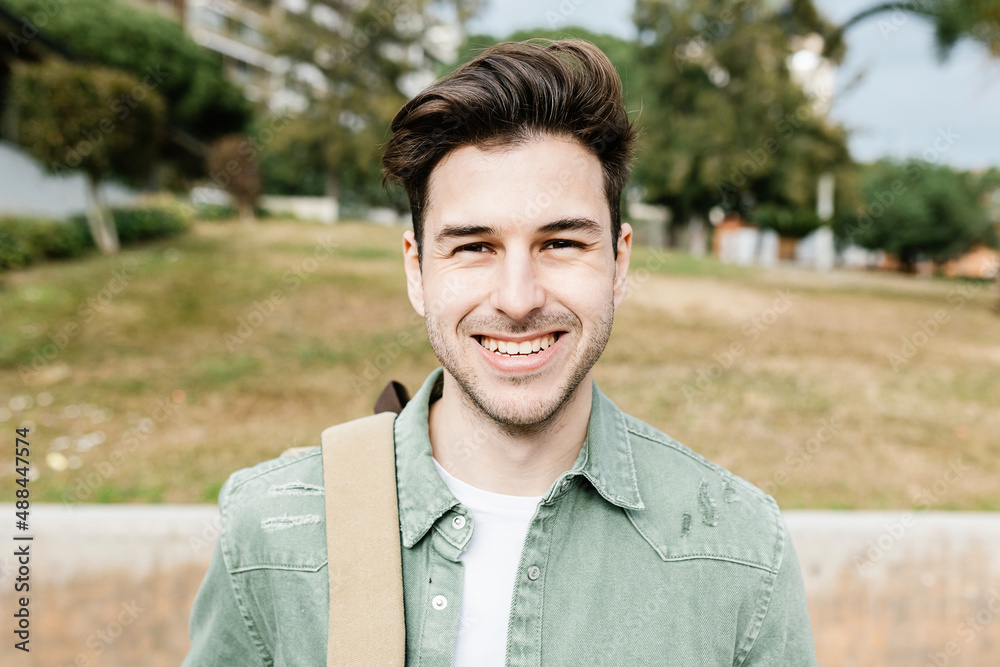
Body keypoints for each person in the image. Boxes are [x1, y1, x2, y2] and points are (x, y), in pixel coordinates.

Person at [182, 38, 817, 666]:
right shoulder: (270, 532)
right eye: (473, 246)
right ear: (417, 269)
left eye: (562, 243)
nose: (517, 300)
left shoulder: (741, 552)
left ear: (620, 262)